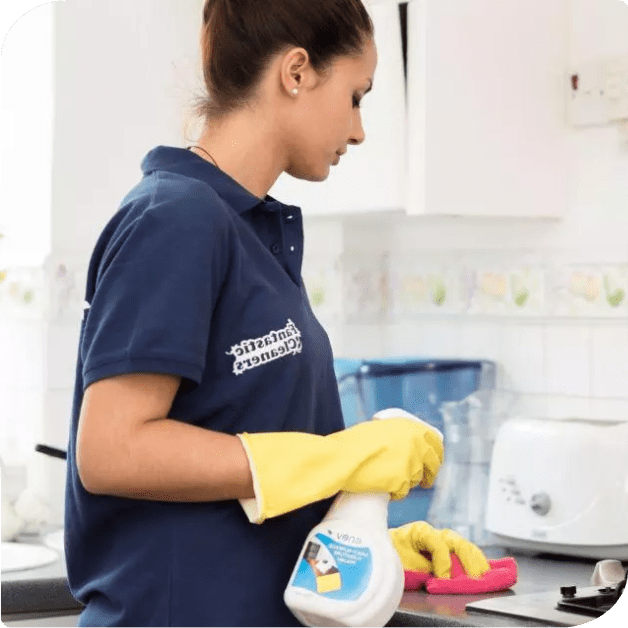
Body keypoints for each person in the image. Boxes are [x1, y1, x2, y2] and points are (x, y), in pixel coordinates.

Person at [65, 1, 490, 626]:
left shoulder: (252, 233)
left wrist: (368, 542)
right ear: (296, 72)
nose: (359, 130)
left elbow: (246, 475)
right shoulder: (176, 218)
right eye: (356, 96)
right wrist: (343, 457)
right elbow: (112, 451)